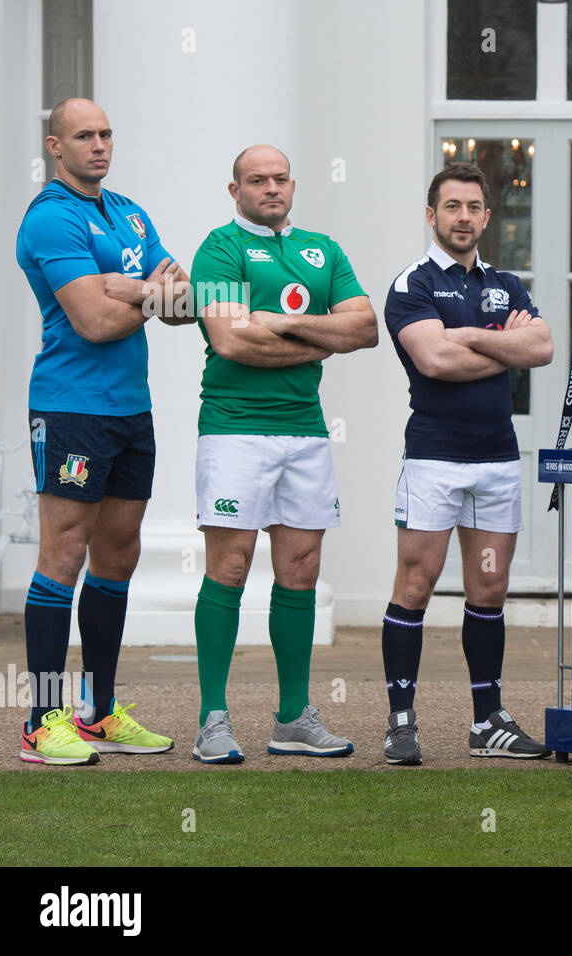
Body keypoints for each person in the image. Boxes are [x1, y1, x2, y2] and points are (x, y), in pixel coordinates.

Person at [15, 98, 193, 765]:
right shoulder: (50, 218)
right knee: (62, 555)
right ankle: (40, 721)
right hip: (70, 407)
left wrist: (130, 289)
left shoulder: (129, 212)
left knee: (117, 556)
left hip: (129, 411)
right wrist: (144, 291)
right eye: (84, 135)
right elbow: (91, 322)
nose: (99, 145)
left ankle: (98, 712)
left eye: (107, 134)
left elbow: (186, 300)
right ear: (55, 146)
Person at [190, 144, 378, 764]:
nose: (270, 188)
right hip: (234, 427)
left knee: (300, 569)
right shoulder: (219, 248)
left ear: (293, 186)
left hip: (305, 428)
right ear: (234, 189)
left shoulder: (322, 248)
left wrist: (274, 320)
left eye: (279, 179)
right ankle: (212, 719)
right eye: (256, 180)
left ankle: (293, 717)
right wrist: (320, 336)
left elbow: (365, 329)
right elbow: (230, 341)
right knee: (232, 566)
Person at [380, 162, 554, 765]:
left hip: (497, 460)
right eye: (451, 206)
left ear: (486, 215)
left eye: (474, 207)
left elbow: (543, 347)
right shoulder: (413, 283)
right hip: (433, 458)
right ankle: (402, 720)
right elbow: (433, 362)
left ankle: (488, 722)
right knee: (416, 584)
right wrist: (498, 342)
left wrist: (468, 336)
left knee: (489, 588)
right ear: (432, 215)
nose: (463, 217)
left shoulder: (508, 283)